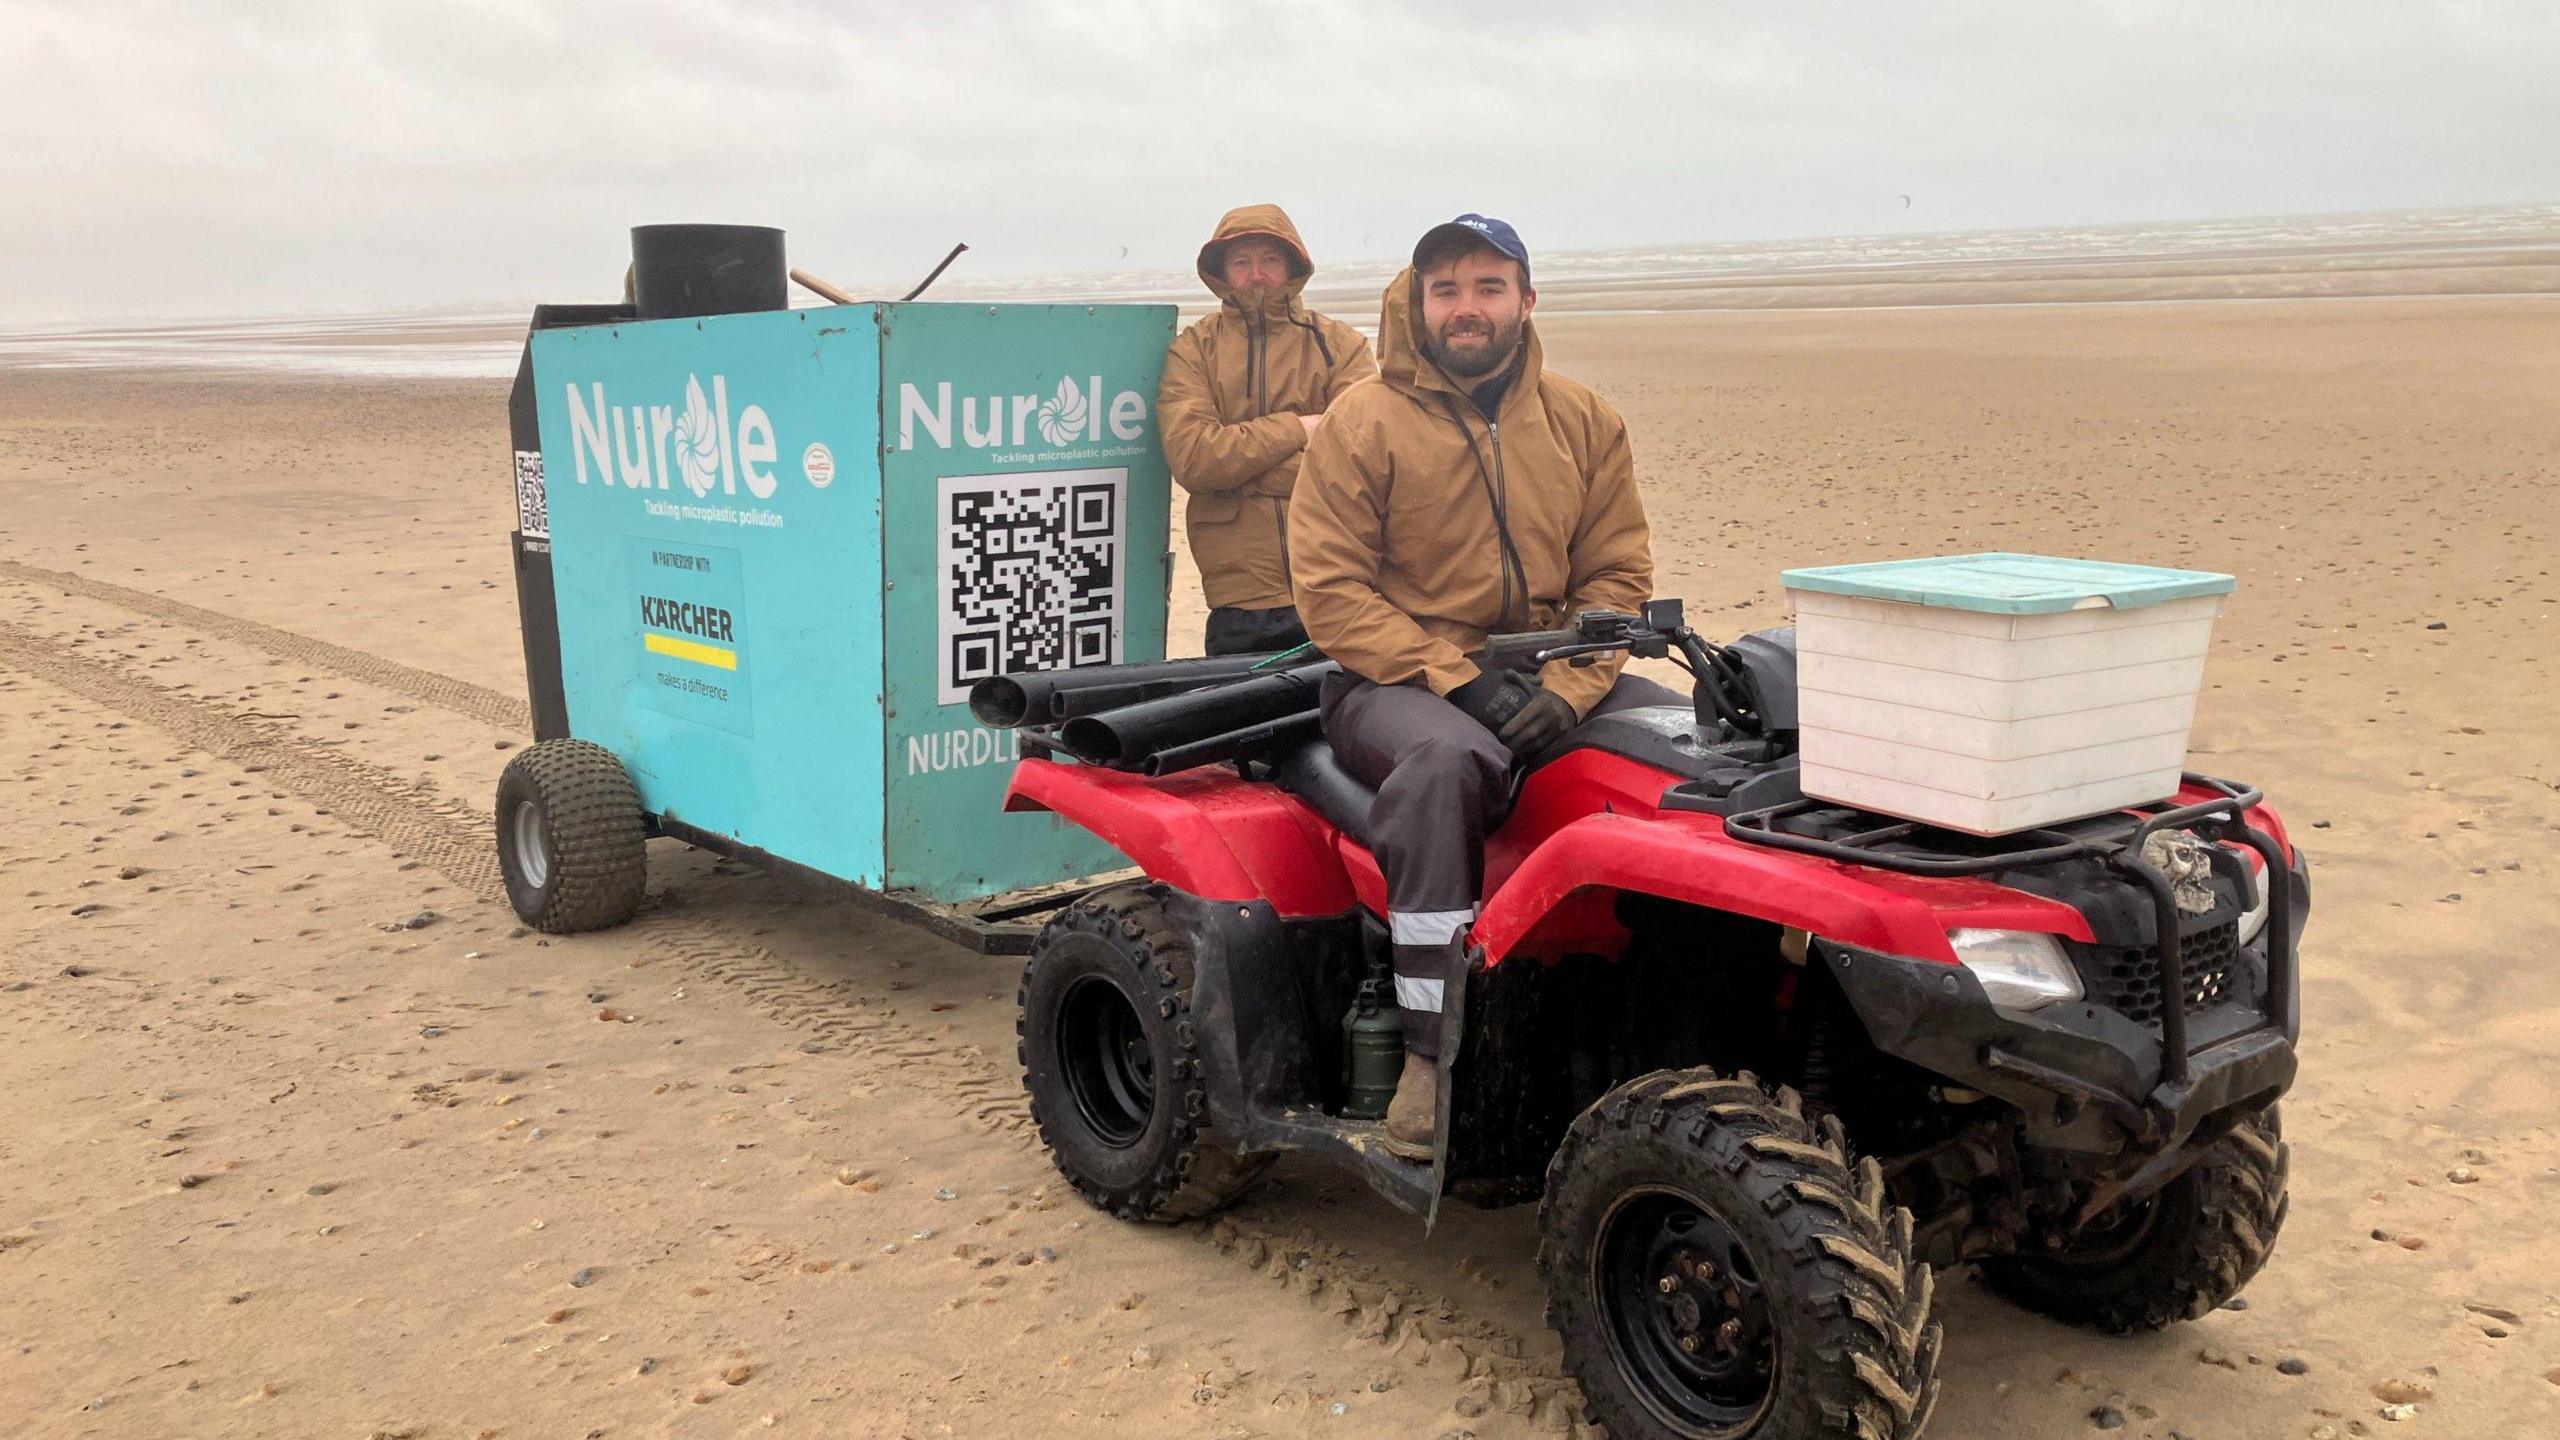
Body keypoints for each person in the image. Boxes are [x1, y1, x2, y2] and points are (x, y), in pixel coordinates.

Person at [1288, 214, 1678, 1158]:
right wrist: (1459, 684)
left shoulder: (1585, 420)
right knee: (1448, 766)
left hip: (1548, 672)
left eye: (1489, 287)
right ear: (1418, 305)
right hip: (1388, 676)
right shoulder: (1362, 422)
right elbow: (1333, 591)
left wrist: (1578, 686)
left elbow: (1617, 578)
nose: (1468, 308)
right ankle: (1430, 1059)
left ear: (1527, 301)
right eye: (1447, 290)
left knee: (1685, 749)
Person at [1157, 205, 1377, 655]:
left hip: (1339, 581)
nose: (1257, 275)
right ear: (1222, 272)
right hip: (1241, 597)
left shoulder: (1341, 346)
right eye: (1242, 263)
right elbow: (1195, 460)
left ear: (1292, 265)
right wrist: (1298, 427)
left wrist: (1240, 474)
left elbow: (1361, 464)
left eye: (1270, 261)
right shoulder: (1193, 352)